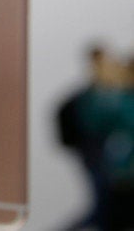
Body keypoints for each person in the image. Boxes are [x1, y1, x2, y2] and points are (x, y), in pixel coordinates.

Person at [57, 44, 134, 230]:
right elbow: (101, 123)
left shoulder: (115, 98)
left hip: (115, 169)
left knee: (103, 213)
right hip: (110, 167)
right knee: (104, 212)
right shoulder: (104, 98)